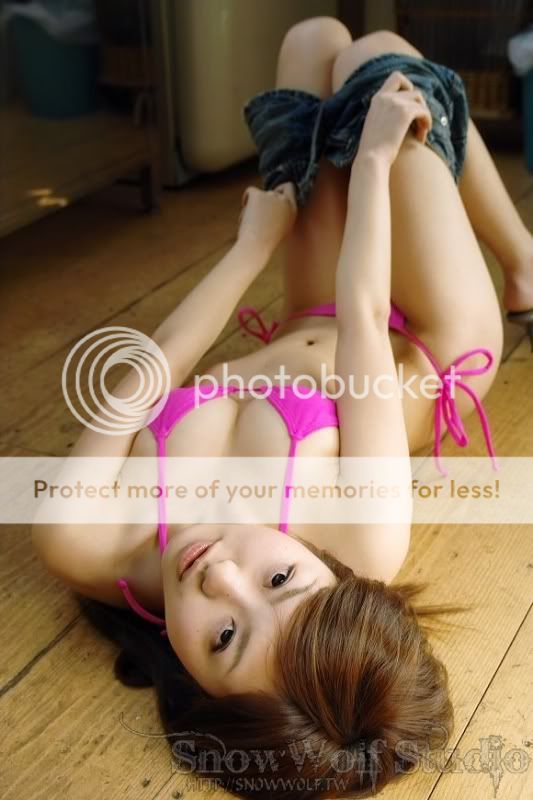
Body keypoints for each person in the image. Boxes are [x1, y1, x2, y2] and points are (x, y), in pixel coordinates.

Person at [32, 19, 533, 799]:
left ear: (200, 695)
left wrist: (250, 249)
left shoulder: (81, 538)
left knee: (310, 42)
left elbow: (155, 365)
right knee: (377, 67)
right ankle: (524, 260)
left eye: (225, 637)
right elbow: (364, 323)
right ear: (328, 573)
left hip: (310, 310)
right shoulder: (361, 542)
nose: (219, 576)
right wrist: (371, 161)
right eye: (278, 579)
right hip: (428, 342)